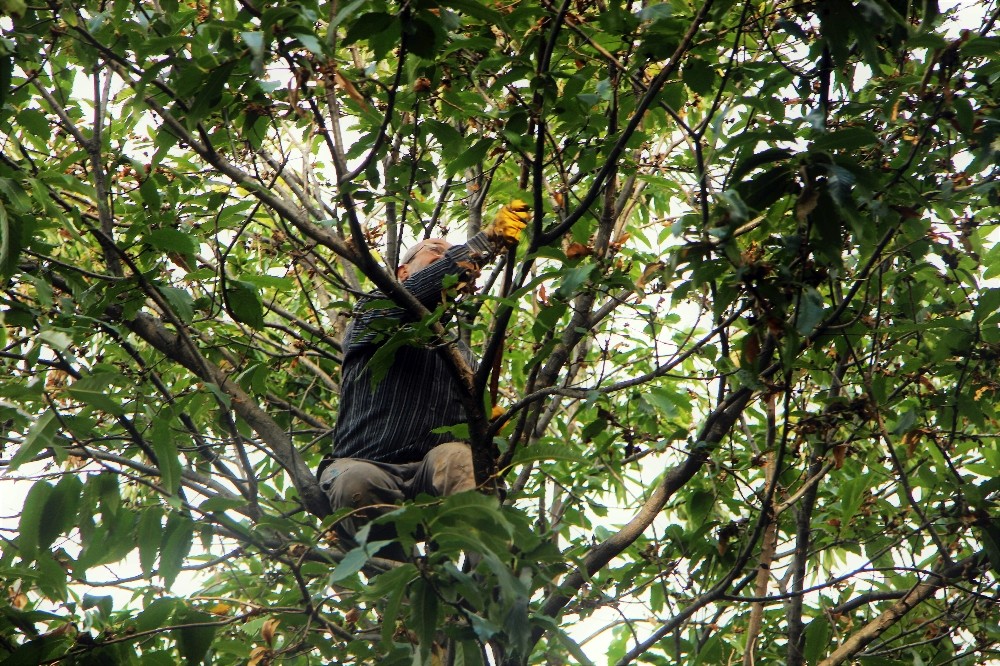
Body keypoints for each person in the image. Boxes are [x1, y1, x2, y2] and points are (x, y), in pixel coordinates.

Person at [320, 201, 530, 558]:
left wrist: (485, 424)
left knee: (460, 460)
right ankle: (406, 581)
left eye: (450, 254)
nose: (446, 258)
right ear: (403, 273)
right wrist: (484, 242)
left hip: (430, 478)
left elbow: (472, 441)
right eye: (435, 250)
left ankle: (487, 579)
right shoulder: (374, 313)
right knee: (356, 482)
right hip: (368, 468)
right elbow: (416, 293)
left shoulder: (460, 353)